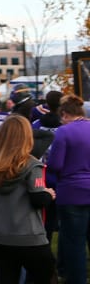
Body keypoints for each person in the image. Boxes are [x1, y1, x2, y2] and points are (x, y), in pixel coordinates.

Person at [0, 115, 57, 284]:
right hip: (29, 236)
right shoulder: (31, 164)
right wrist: (48, 194)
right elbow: (38, 199)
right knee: (46, 275)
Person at [46, 93, 90, 284]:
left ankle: (76, 279)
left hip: (71, 192)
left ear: (63, 114)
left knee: (74, 243)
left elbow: (55, 164)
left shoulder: (63, 132)